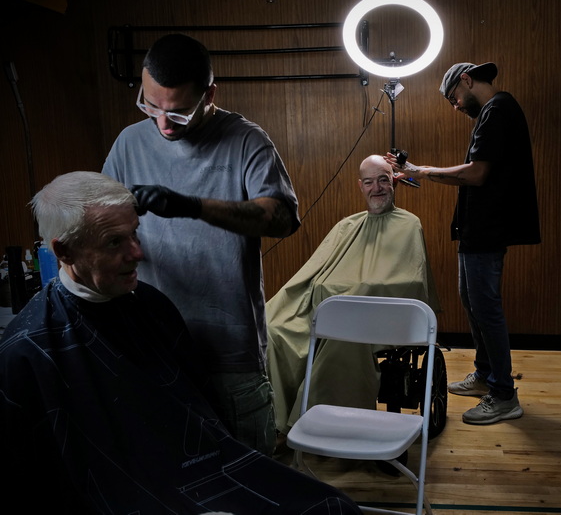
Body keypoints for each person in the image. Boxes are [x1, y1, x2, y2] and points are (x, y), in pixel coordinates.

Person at [0, 171, 360, 514]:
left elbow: (203, 417)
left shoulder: (152, 308)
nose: (137, 253)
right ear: (64, 252)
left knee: (333, 507)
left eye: (134, 234)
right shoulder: (26, 351)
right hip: (120, 498)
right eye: (114, 242)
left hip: (195, 472)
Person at [102, 33, 301, 456]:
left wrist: (192, 207)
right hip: (154, 347)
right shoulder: (128, 144)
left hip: (230, 355)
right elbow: (102, 226)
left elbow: (282, 218)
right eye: (150, 106)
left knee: (249, 481)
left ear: (210, 94)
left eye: (179, 112)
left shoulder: (246, 140)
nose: (162, 124)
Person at [387, 62, 541, 425]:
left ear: (467, 81)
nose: (455, 106)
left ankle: (503, 394)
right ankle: (486, 375)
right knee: (472, 301)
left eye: (454, 97)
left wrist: (422, 172)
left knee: (486, 307)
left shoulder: (498, 110)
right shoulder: (492, 112)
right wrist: (419, 170)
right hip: (477, 229)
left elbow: (476, 173)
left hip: (487, 229)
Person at [266, 155, 440, 435]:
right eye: (369, 182)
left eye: (383, 180)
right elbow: (313, 274)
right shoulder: (347, 226)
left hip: (373, 318)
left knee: (342, 338)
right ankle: (276, 423)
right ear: (360, 186)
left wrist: (359, 293)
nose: (377, 188)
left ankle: (328, 428)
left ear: (394, 181)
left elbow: (411, 280)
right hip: (322, 310)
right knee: (275, 330)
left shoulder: (409, 224)